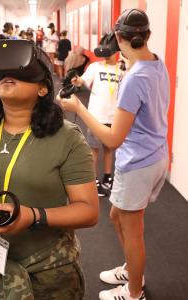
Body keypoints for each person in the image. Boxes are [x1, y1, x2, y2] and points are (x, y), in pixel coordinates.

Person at [0, 40, 99, 299]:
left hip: (49, 266)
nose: (7, 78)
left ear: (42, 89)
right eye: (1, 75)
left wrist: (33, 216)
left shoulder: (67, 138)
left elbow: (88, 211)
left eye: (18, 74)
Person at [58, 9, 169, 300]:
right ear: (147, 36)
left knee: (132, 230)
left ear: (119, 37)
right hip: (156, 156)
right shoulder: (157, 63)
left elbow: (113, 138)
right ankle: (132, 269)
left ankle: (134, 292)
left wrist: (79, 109)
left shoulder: (135, 78)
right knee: (116, 215)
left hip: (138, 162)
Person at [72, 34, 122, 197]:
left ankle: (108, 177)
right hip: (95, 116)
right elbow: (83, 81)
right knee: (93, 149)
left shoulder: (123, 69)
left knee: (109, 148)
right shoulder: (95, 67)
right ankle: (94, 180)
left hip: (114, 117)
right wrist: (76, 80)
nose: (106, 56)